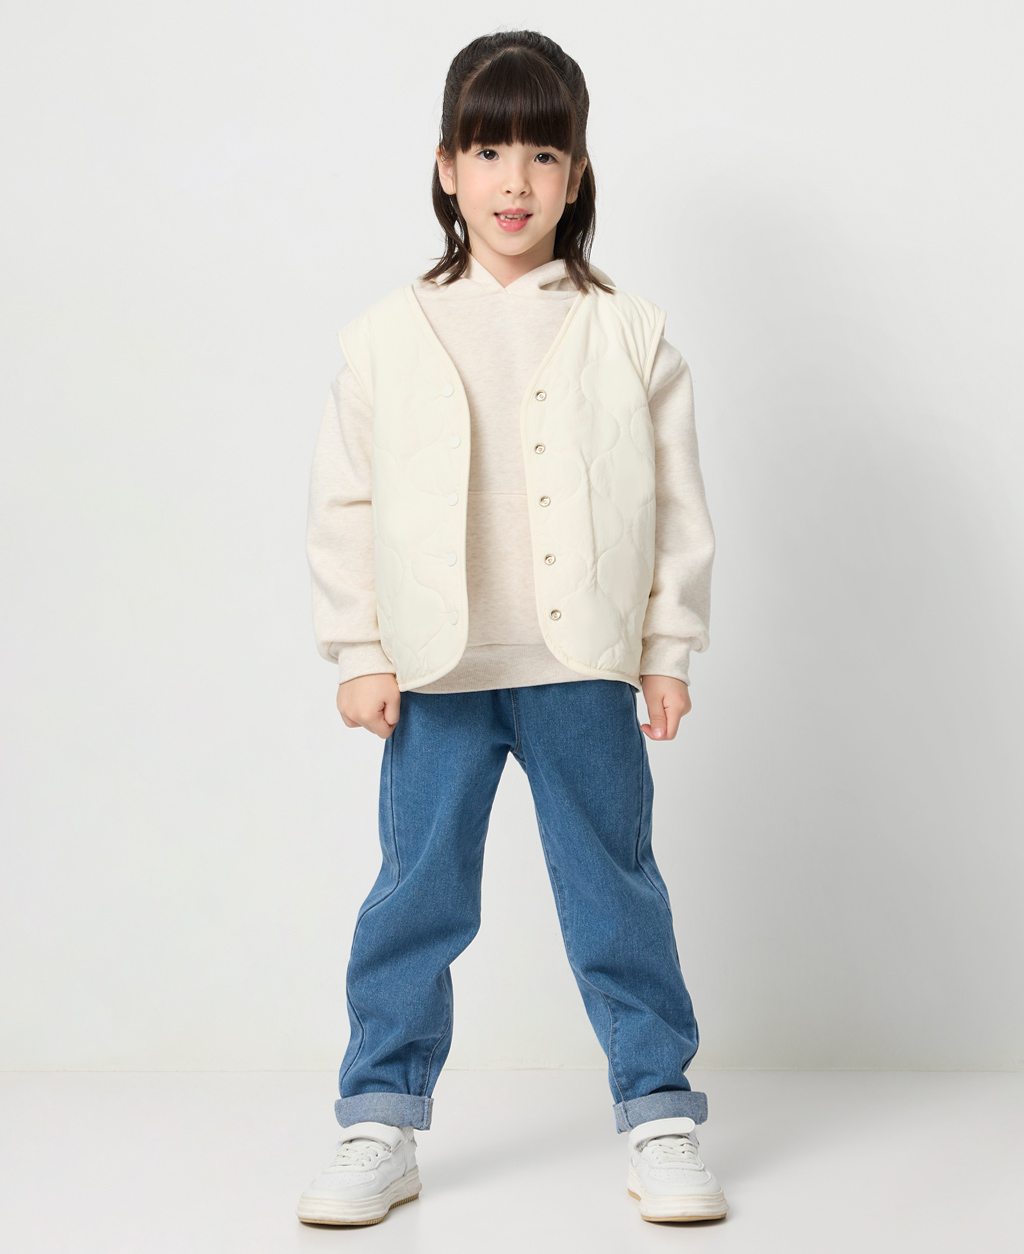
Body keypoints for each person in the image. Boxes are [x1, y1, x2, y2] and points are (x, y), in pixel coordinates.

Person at [297, 29, 725, 1228]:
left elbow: (675, 508)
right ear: (446, 168)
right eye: (487, 152)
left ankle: (659, 1109)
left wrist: (665, 651)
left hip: (580, 668)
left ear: (576, 175)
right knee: (416, 896)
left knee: (615, 894)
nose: (514, 181)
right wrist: (359, 650)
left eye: (543, 153)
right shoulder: (386, 334)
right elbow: (345, 502)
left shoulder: (628, 332)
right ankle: (379, 1115)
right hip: (434, 674)